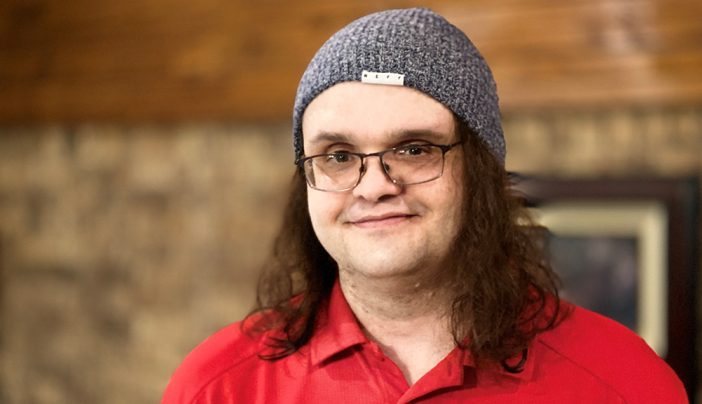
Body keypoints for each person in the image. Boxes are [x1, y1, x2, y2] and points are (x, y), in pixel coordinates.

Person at [162, 8, 687, 403]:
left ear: (480, 173)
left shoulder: (624, 381)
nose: (373, 187)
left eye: (414, 149)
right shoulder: (218, 385)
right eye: (338, 155)